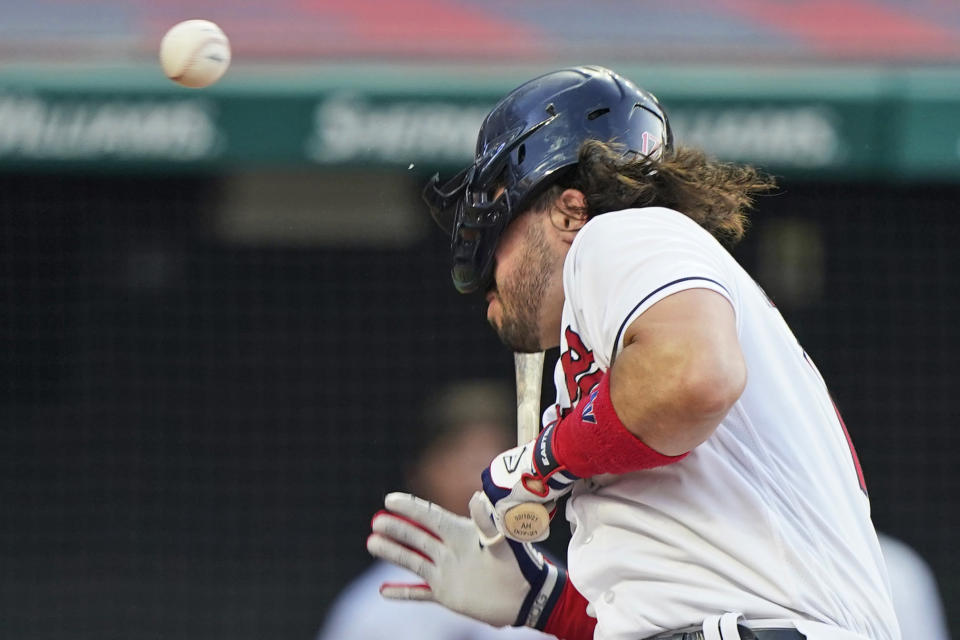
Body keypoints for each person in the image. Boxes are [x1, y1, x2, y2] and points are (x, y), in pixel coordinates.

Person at [367, 66, 900, 640]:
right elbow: (681, 592)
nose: (487, 266)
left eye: (498, 219)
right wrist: (546, 603)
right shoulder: (621, 344)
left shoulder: (618, 235)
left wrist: (542, 463)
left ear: (569, 211)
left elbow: (696, 379)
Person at [319, 381, 550, 640]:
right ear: (420, 471)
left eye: (495, 455)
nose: (477, 477)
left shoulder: (554, 589)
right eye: (461, 455)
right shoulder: (371, 607)